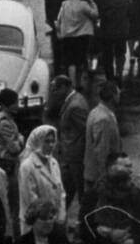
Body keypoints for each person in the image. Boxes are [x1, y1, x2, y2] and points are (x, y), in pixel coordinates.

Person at [77, 151, 140, 244]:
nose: (131, 171)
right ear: (111, 168)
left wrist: (134, 241)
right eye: (126, 166)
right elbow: (84, 230)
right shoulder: (93, 196)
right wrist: (109, 235)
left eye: (130, 166)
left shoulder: (138, 196)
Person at [17, 125, 66, 233]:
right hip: (35, 222)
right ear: (38, 142)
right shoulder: (27, 166)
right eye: (47, 141)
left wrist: (61, 215)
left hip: (53, 220)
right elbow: (31, 199)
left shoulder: (54, 163)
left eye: (53, 141)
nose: (51, 145)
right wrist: (48, 216)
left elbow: (61, 191)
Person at [56, 73, 89, 217]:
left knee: (79, 191)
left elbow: (85, 130)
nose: (55, 93)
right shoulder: (73, 100)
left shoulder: (75, 105)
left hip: (75, 156)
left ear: (65, 87)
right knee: (67, 190)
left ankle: (82, 221)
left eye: (57, 89)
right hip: (71, 156)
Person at [83, 80, 122, 196]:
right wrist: (105, 179)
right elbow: (102, 152)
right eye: (118, 94)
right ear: (113, 96)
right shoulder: (103, 119)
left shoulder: (96, 112)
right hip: (99, 178)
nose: (120, 97)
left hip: (95, 175)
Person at [57, 0, 99, 83]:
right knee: (80, 61)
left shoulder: (64, 4)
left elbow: (59, 19)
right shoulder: (83, 5)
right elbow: (95, 15)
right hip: (81, 36)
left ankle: (72, 83)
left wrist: (59, 31)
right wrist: (92, 2)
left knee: (70, 62)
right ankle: (79, 82)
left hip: (67, 36)